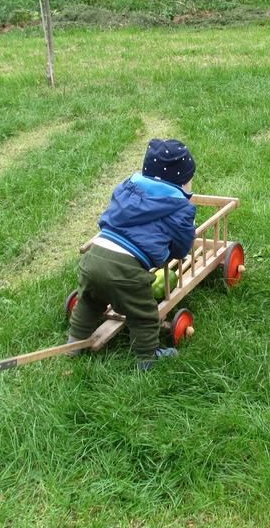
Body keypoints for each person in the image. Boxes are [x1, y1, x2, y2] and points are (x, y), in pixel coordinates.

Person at [68, 139, 197, 370]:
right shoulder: (181, 208)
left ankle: (74, 343)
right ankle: (147, 358)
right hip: (125, 270)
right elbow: (181, 246)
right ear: (182, 182)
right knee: (145, 315)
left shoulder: (127, 188)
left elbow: (107, 218)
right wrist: (175, 252)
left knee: (89, 300)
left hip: (95, 257)